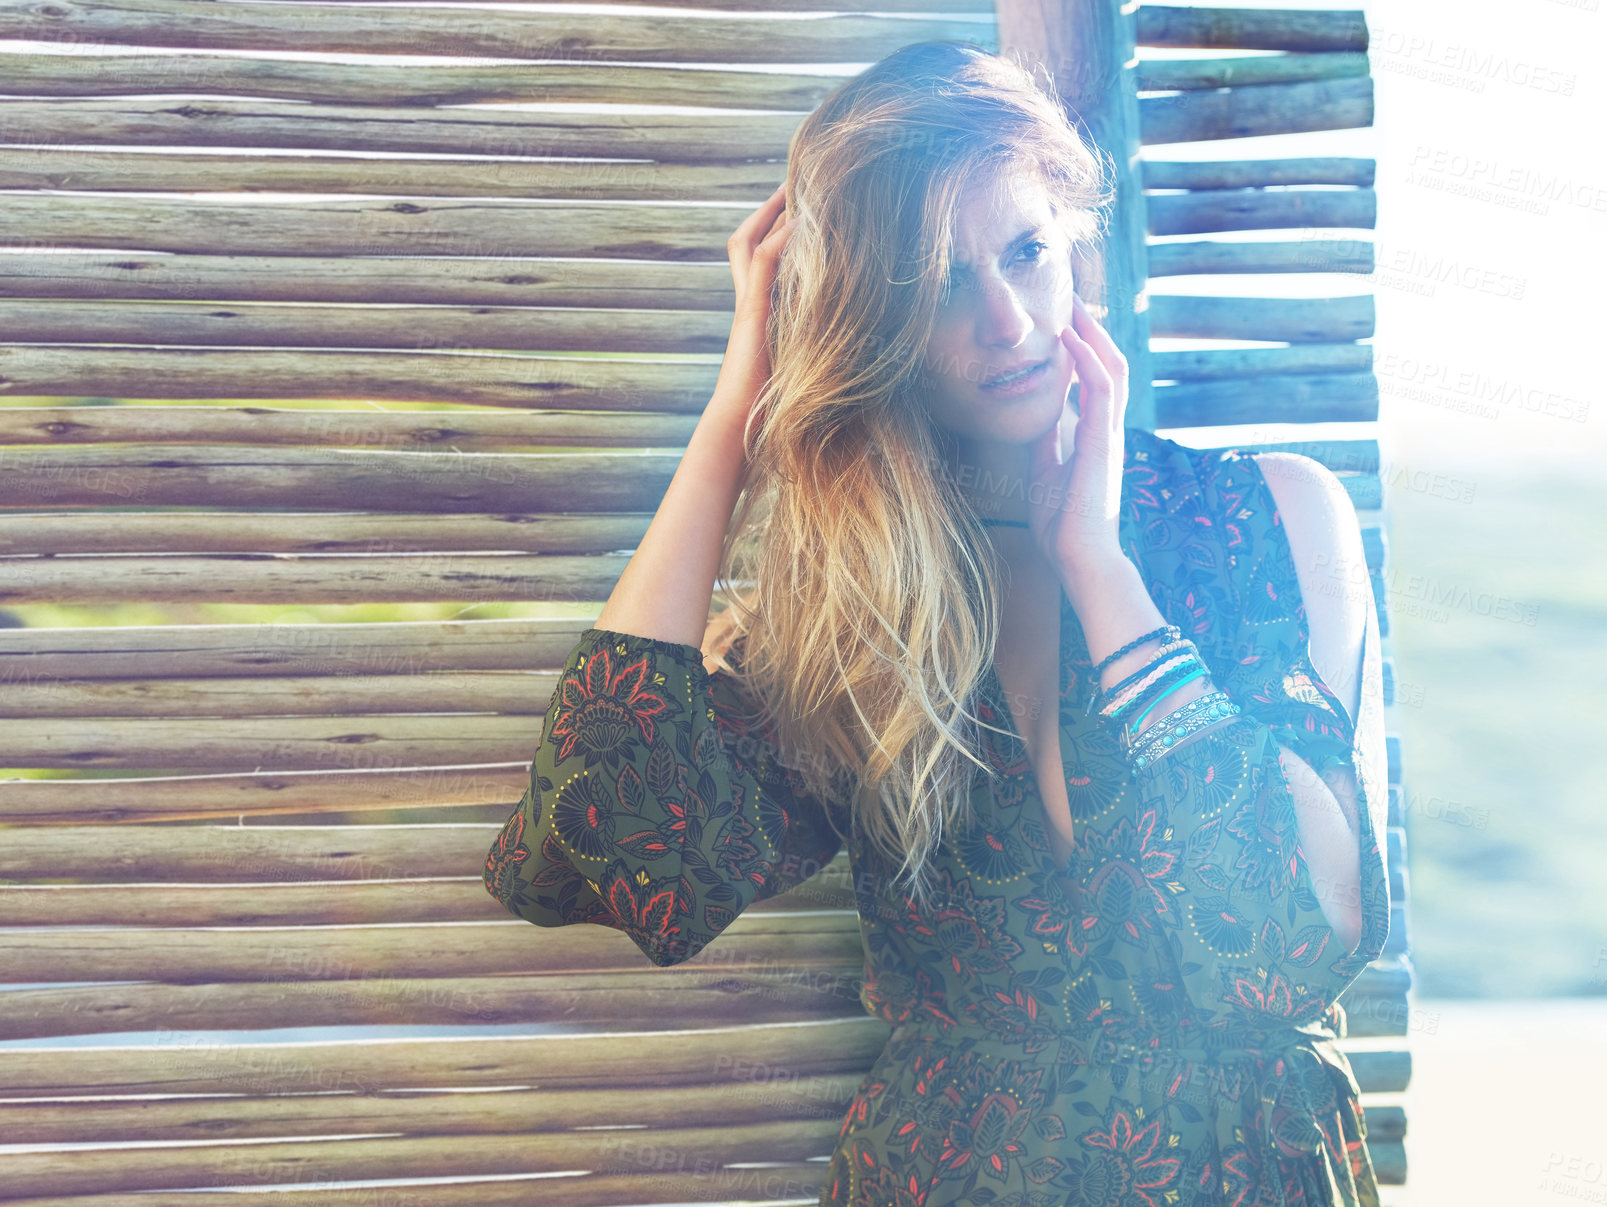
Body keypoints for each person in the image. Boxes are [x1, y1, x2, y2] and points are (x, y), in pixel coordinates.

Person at [483, 40, 1390, 1207]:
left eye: (1024, 253)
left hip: (1249, 1171)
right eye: (934, 284)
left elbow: (1299, 933)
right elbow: (613, 853)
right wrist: (731, 424)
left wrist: (1096, 566)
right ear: (870, 323)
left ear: (1072, 238)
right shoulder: (841, 605)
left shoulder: (1269, 511)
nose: (1006, 322)